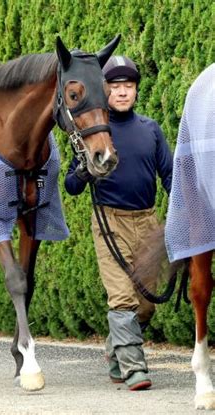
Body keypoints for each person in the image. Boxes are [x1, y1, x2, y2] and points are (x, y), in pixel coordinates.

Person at [64, 55, 173, 390]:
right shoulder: (94, 132)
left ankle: (116, 351)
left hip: (148, 223)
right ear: (105, 90)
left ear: (136, 91)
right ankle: (134, 368)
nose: (123, 92)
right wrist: (83, 170)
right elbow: (71, 186)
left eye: (129, 86)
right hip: (110, 222)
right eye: (116, 86)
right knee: (122, 297)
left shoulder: (150, 130)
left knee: (145, 301)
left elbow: (169, 176)